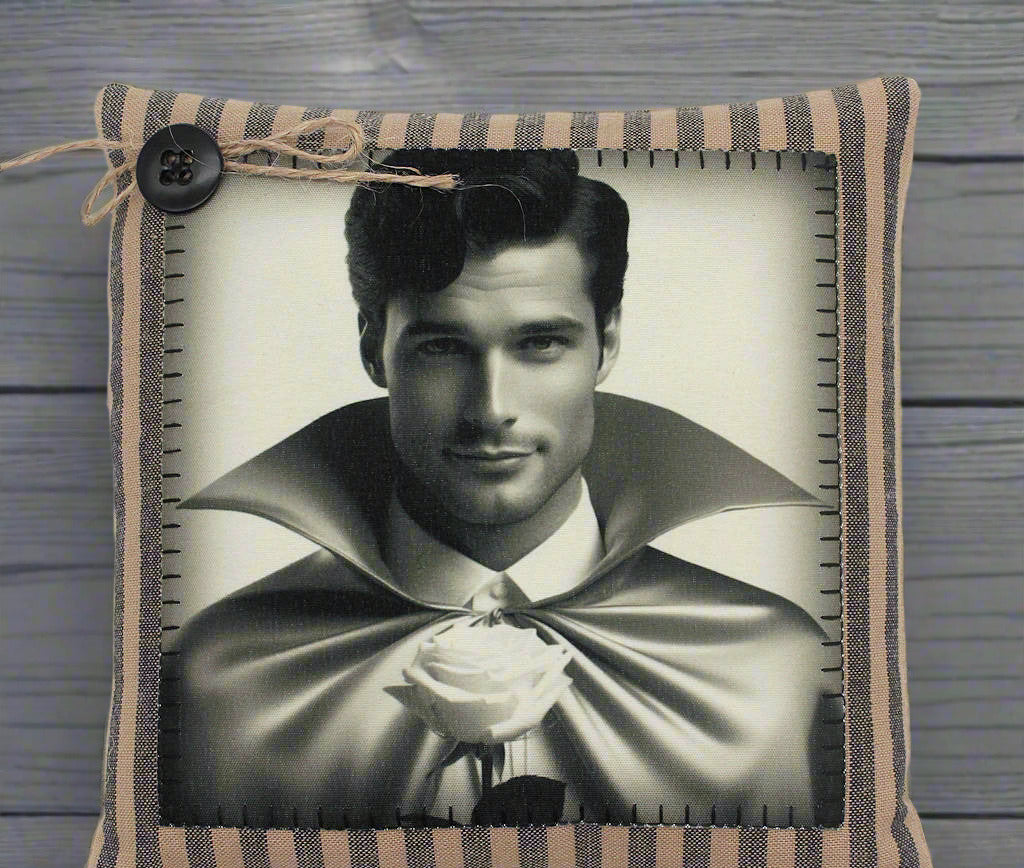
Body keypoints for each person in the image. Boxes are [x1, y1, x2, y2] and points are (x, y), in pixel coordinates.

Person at [167, 149, 841, 831]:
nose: (490, 409)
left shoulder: (772, 671)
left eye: (541, 343)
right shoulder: (227, 677)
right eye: (442, 347)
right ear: (375, 348)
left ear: (606, 346)